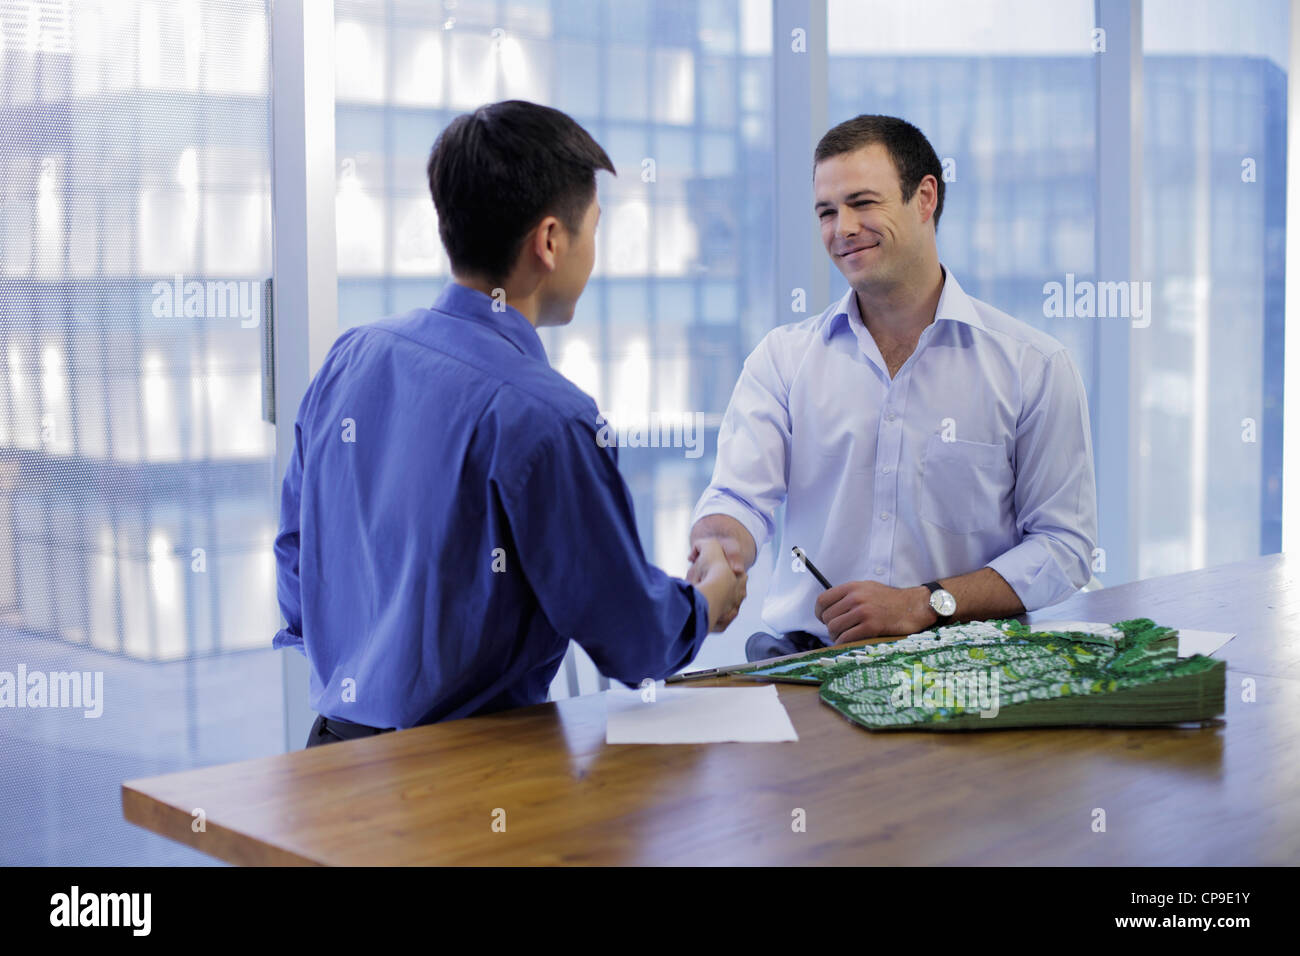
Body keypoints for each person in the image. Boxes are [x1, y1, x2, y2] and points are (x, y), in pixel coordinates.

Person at [274, 100, 746, 747]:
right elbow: (635, 639)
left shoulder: (352, 356)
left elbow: (296, 559)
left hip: (331, 753)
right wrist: (708, 603)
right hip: (462, 778)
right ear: (551, 241)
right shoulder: (546, 417)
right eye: (594, 229)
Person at [688, 114, 1097, 662]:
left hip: (968, 673)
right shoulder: (782, 360)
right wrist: (720, 548)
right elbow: (739, 498)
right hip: (808, 667)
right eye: (827, 212)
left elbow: (1064, 548)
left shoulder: (1034, 366)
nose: (843, 228)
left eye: (862, 203)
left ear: (925, 198)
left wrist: (924, 604)